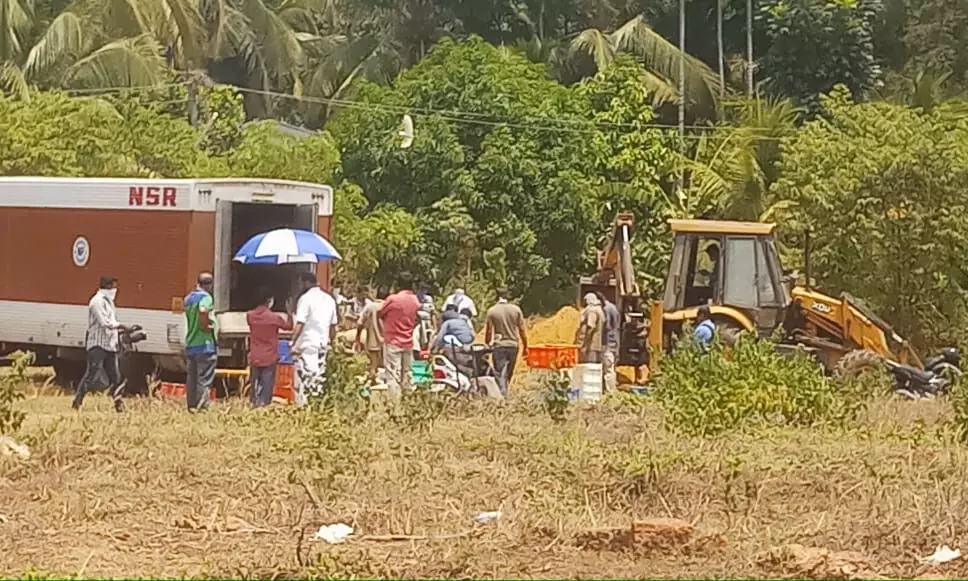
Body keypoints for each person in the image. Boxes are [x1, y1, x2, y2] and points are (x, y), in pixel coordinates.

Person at [72, 275, 128, 412]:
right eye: (113, 286)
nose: (115, 289)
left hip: (109, 345)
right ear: (107, 286)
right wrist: (122, 326)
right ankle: (77, 401)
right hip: (97, 344)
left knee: (115, 377)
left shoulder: (109, 302)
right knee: (92, 374)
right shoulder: (96, 302)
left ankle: (118, 404)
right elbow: (105, 322)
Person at [291, 271, 338, 406]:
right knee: (319, 378)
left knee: (305, 379)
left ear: (306, 283)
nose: (299, 286)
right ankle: (317, 406)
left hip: (307, 344)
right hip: (323, 345)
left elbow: (300, 323)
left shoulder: (305, 299)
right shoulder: (329, 299)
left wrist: (292, 342)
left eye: (300, 283)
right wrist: (333, 343)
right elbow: (333, 326)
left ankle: (304, 407)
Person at [246, 287, 293, 408]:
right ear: (269, 301)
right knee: (267, 386)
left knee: (255, 384)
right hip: (269, 357)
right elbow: (288, 326)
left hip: (255, 356)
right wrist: (289, 312)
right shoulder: (274, 318)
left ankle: (254, 405)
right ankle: (264, 406)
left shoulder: (250, 316)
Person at [379, 272, 420, 398]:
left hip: (393, 341)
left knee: (392, 375)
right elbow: (417, 319)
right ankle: (408, 400)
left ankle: (395, 404)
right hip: (408, 342)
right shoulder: (415, 300)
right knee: (407, 373)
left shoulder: (393, 299)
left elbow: (381, 313)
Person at [484, 287, 528, 398]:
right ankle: (505, 393)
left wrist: (487, 345)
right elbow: (522, 329)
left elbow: (489, 331)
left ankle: (503, 395)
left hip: (499, 345)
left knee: (499, 372)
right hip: (513, 345)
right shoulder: (516, 310)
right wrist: (525, 345)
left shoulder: (492, 311)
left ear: (496, 296)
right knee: (509, 372)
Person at [184, 273, 218, 412]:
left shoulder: (188, 298)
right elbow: (203, 310)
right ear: (209, 285)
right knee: (204, 380)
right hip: (204, 345)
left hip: (191, 344)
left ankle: (191, 407)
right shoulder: (206, 297)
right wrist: (206, 326)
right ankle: (202, 408)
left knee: (192, 380)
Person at [355, 287, 388, 378]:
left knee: (373, 365)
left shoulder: (370, 307)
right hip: (388, 340)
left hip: (373, 340)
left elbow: (360, 323)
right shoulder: (389, 307)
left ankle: (373, 377)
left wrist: (358, 338)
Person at [597, 292, 620, 394]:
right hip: (614, 340)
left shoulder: (606, 309)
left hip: (607, 342)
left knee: (608, 367)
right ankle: (610, 390)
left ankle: (610, 391)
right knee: (611, 366)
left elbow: (607, 326)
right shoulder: (613, 307)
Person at [576, 293, 605, 364]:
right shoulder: (598, 309)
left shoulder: (592, 310)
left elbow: (591, 326)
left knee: (588, 365)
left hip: (590, 345)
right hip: (596, 344)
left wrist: (585, 342)